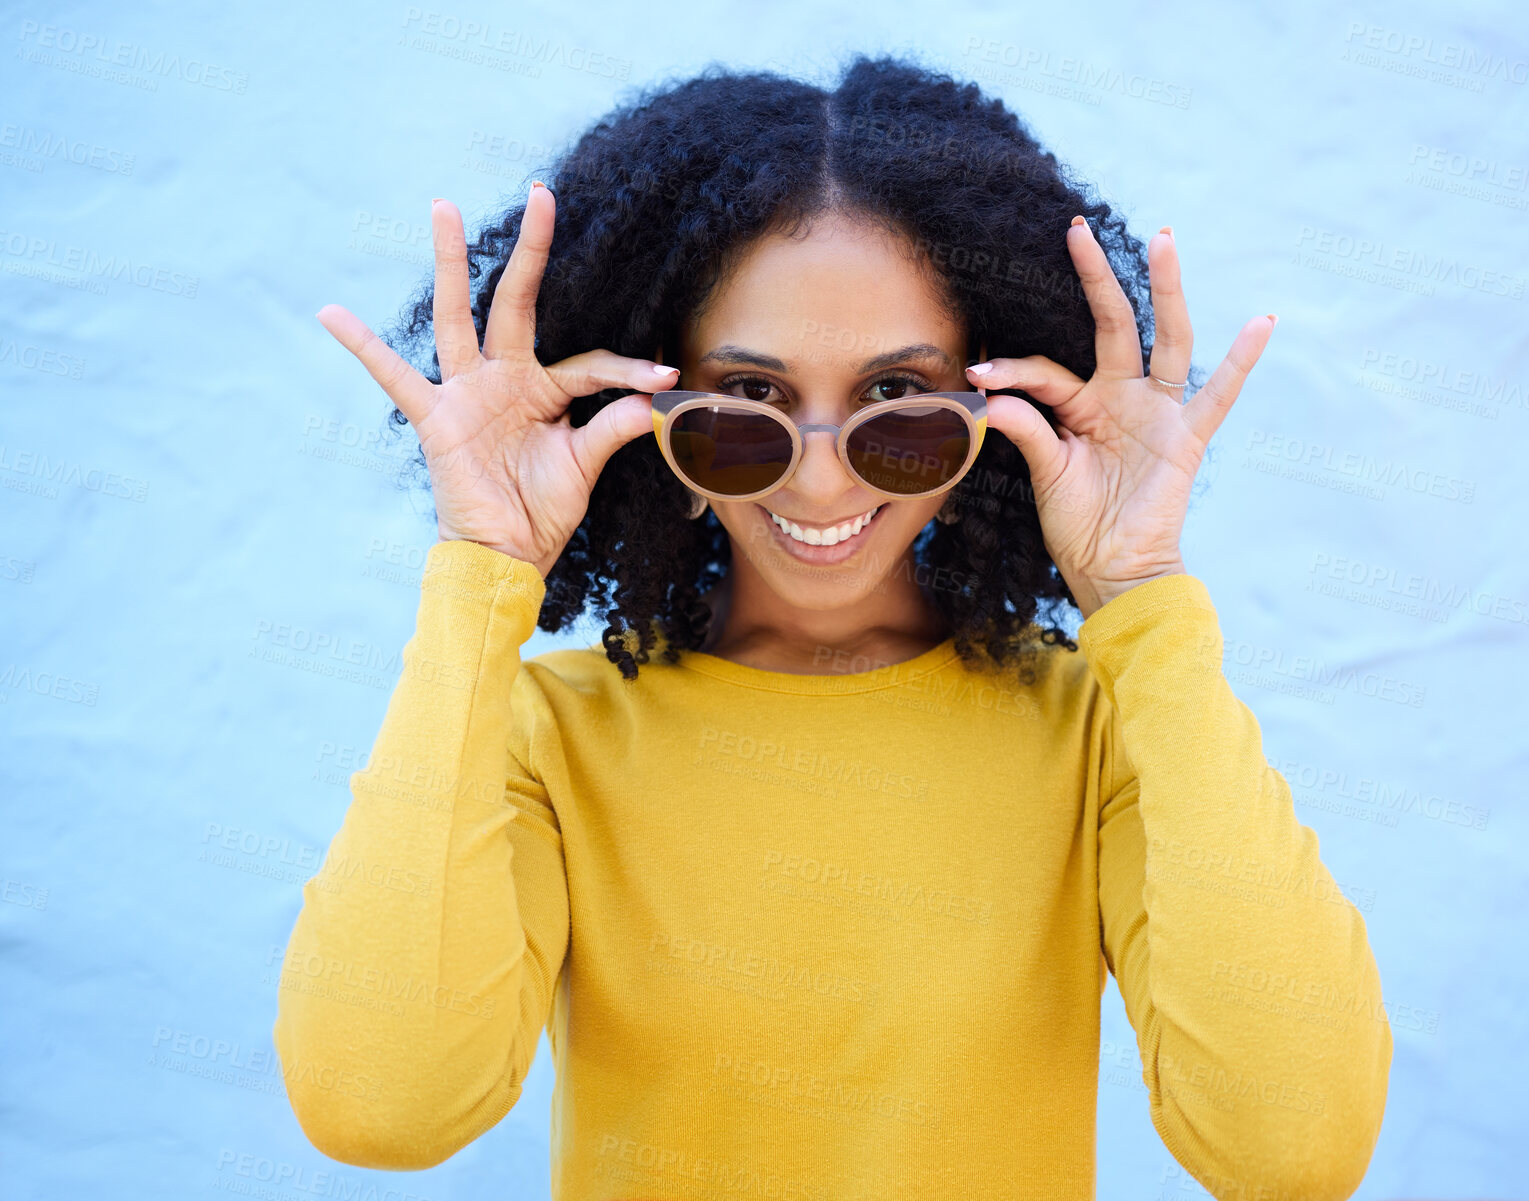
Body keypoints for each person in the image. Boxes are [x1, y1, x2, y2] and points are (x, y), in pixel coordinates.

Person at [273, 54, 1391, 1200]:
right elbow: (378, 1107)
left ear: (993, 408)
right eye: (743, 407)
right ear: (643, 416)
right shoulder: (543, 739)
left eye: (898, 402)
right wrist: (483, 573)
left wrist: (1141, 596)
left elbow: (1291, 1147)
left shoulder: (1102, 733)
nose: (816, 483)